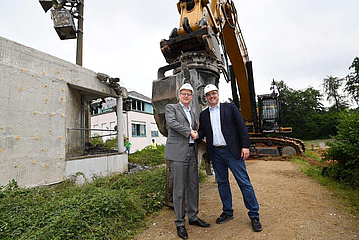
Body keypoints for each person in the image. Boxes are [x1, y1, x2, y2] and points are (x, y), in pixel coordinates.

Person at [196, 84, 262, 232]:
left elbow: (242, 128)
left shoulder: (229, 108)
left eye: (213, 93)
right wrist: (195, 134)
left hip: (232, 152)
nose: (211, 96)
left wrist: (245, 146)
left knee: (244, 183)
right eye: (208, 95)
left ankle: (254, 215)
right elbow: (202, 132)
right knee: (222, 184)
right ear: (206, 98)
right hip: (216, 153)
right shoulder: (204, 115)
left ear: (217, 94)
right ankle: (227, 212)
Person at [165, 83, 210, 239]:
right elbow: (172, 124)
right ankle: (180, 222)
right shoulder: (171, 108)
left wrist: (197, 133)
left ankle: (193, 217)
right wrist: (189, 131)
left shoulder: (191, 112)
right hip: (178, 153)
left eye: (189, 94)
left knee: (193, 186)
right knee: (179, 190)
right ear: (179, 95)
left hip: (191, 152)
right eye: (183, 93)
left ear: (191, 97)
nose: (186, 96)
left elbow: (194, 130)